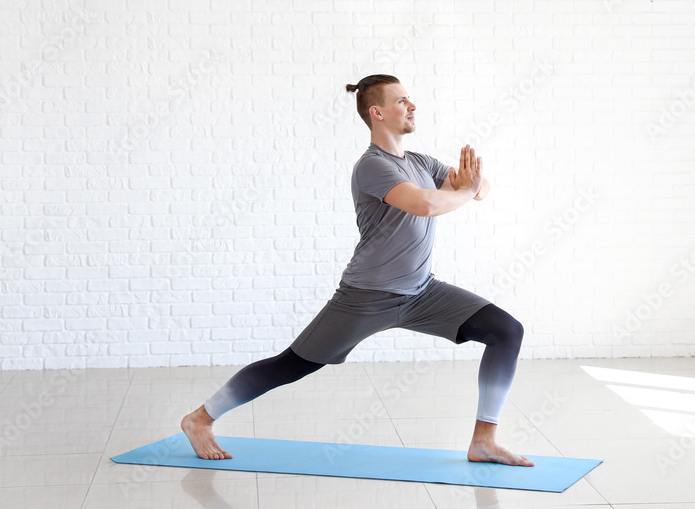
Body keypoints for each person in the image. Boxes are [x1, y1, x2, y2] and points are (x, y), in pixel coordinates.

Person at [181, 74, 533, 467]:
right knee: (293, 364)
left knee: (506, 331)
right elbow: (426, 205)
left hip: (422, 292)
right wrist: (464, 191)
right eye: (402, 101)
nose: (412, 106)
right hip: (366, 296)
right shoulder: (372, 166)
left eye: (410, 99)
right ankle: (199, 419)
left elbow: (479, 188)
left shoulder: (421, 162)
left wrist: (472, 185)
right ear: (377, 112)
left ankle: (484, 441)